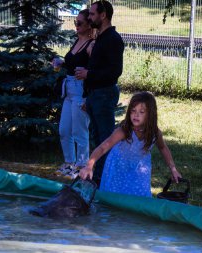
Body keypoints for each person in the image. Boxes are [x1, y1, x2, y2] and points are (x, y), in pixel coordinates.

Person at [79, 92, 182, 197]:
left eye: (141, 112)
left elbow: (163, 148)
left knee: (140, 197)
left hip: (140, 170)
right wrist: (89, 166)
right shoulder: (124, 131)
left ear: (150, 114)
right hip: (118, 169)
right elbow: (103, 147)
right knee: (115, 199)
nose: (136, 115)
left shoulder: (154, 133)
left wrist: (173, 169)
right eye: (133, 111)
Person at [74, 0, 124, 186]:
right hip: (95, 94)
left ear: (103, 15)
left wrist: (89, 74)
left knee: (105, 139)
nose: (89, 17)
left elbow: (114, 72)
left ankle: (103, 180)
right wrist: (88, 95)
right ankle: (98, 178)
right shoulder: (100, 38)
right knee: (97, 138)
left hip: (105, 93)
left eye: (93, 14)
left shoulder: (113, 39)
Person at [55, 9, 94, 179]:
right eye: (75, 22)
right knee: (64, 130)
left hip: (81, 91)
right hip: (69, 91)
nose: (76, 26)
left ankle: (81, 166)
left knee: (80, 131)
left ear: (88, 25)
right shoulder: (77, 41)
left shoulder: (91, 45)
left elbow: (95, 70)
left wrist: (89, 97)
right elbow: (72, 63)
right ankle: (69, 163)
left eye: (79, 23)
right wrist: (61, 63)